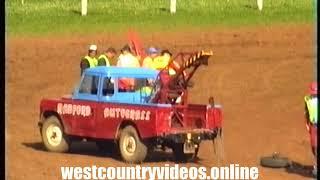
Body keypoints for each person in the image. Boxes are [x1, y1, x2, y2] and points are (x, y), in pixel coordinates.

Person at [304, 82, 317, 177]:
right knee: (313, 147)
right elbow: (306, 112)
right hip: (313, 125)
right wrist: (307, 124)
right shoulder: (307, 99)